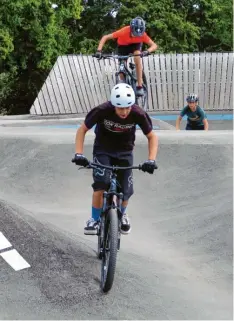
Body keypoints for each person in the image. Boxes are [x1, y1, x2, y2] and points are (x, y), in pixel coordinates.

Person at [72, 83, 158, 235]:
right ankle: (94, 219)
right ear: (113, 105)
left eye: (127, 107)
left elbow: (152, 136)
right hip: (103, 151)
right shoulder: (102, 110)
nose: (124, 112)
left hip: (125, 152)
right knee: (101, 184)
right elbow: (82, 130)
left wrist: (151, 160)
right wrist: (79, 153)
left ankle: (123, 214)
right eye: (120, 108)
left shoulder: (138, 113)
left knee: (126, 190)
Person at [95, 17, 158, 97]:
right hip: (123, 46)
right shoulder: (124, 31)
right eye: (134, 34)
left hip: (136, 45)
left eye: (138, 35)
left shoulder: (143, 35)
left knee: (137, 57)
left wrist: (147, 51)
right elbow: (105, 37)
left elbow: (154, 45)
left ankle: (139, 85)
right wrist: (99, 51)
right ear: (131, 29)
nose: (136, 36)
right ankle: (124, 86)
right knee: (121, 69)